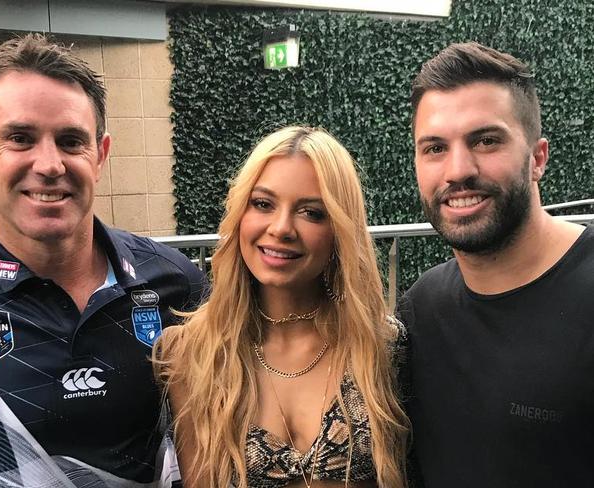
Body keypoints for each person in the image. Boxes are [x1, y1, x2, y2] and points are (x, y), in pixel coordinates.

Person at [0, 34, 206, 486]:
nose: (49, 164)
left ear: (100, 154)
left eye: (70, 141)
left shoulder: (175, 284)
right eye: (20, 138)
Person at [155, 126, 409, 488]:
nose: (281, 228)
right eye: (263, 204)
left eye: (311, 212)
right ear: (240, 215)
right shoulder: (191, 354)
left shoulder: (382, 346)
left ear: (340, 229)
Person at [399, 42, 594, 487]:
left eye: (486, 141)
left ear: (538, 158)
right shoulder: (421, 309)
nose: (457, 170)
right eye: (434, 148)